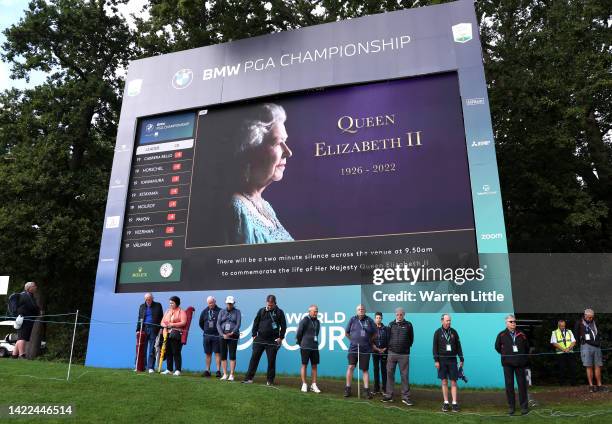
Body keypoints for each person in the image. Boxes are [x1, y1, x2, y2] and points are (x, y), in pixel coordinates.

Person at [229, 103, 294, 244]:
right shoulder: (236, 208)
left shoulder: (265, 206)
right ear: (252, 149)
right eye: (277, 143)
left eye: (285, 141)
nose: (288, 152)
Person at [243, 294, 287, 385]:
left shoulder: (279, 312)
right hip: (259, 339)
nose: (269, 306)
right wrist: (254, 335)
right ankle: (249, 378)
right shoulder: (261, 311)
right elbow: (256, 322)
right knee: (254, 359)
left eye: (271, 305)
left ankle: (270, 380)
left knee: (271, 361)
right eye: (268, 304)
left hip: (272, 340)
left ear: (275, 303)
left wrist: (281, 337)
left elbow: (283, 326)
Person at [495, 314, 529, 415]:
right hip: (507, 364)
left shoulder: (521, 334)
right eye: (511, 322)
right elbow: (497, 347)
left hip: (520, 363)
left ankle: (524, 407)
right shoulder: (501, 335)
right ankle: (511, 407)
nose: (513, 323)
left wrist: (522, 358)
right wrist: (505, 355)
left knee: (522, 385)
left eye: (514, 321)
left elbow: (526, 347)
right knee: (509, 386)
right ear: (506, 323)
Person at [382, 307, 414, 406]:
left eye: (401, 314)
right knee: (390, 374)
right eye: (397, 314)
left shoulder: (408, 325)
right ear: (395, 315)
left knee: (404, 376)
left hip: (404, 354)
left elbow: (411, 339)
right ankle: (389, 395)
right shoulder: (391, 324)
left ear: (404, 315)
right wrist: (389, 349)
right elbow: (387, 338)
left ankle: (405, 397)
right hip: (391, 353)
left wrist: (405, 348)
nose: (399, 316)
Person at [433, 314, 464, 412]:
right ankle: (446, 402)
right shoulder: (437, 332)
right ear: (442, 321)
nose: (449, 322)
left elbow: (458, 346)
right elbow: (434, 348)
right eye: (447, 320)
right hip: (442, 360)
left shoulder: (454, 332)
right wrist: (436, 360)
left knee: (454, 381)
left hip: (452, 360)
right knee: (444, 381)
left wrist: (461, 359)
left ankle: (454, 403)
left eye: (450, 320)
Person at [344, 304, 376, 399]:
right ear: (356, 311)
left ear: (365, 310)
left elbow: (375, 333)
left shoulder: (369, 320)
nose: (361, 310)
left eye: (362, 309)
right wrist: (353, 340)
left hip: (366, 349)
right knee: (351, 367)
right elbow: (346, 333)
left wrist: (369, 341)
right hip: (353, 348)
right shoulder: (352, 319)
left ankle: (366, 391)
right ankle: (347, 388)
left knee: (365, 369)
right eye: (359, 309)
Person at [574, 309, 607, 392]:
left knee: (598, 366)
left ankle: (599, 386)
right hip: (586, 346)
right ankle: (591, 386)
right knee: (589, 366)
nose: (590, 319)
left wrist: (599, 342)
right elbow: (576, 335)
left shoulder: (595, 322)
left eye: (592, 317)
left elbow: (599, 333)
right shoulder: (579, 323)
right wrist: (581, 344)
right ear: (585, 315)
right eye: (589, 317)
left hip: (596, 346)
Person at [296, 304, 321, 393]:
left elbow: (316, 334)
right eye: (314, 311)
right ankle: (304, 384)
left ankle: (313, 385)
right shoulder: (305, 320)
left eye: (317, 311)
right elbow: (299, 333)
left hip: (314, 347)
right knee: (304, 365)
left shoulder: (318, 322)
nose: (316, 313)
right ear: (309, 311)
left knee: (314, 366)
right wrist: (300, 342)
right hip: (305, 347)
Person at [11, 282, 40, 359]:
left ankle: (14, 355)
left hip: (27, 319)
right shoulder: (24, 296)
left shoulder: (30, 296)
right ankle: (22, 355)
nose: (36, 287)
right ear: (29, 288)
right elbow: (31, 307)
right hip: (24, 319)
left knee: (21, 337)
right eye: (34, 286)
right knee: (22, 337)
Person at [160, 296, 187, 376]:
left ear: (177, 303)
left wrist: (172, 324)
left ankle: (178, 370)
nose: (170, 304)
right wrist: (165, 325)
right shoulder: (167, 311)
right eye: (170, 303)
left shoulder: (181, 311)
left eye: (172, 303)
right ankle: (169, 369)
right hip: (166, 333)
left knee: (176, 351)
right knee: (168, 351)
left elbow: (183, 322)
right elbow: (162, 322)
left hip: (176, 334)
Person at [136, 292, 163, 373]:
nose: (148, 301)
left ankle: (150, 367)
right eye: (146, 299)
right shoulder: (142, 306)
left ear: (152, 299)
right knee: (143, 349)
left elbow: (161, 317)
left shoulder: (158, 305)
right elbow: (139, 318)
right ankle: (142, 366)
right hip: (143, 329)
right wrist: (137, 330)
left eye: (149, 299)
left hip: (154, 329)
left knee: (152, 349)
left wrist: (161, 329)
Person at [217, 295, 241, 381]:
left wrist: (232, 332)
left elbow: (238, 324)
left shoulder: (237, 312)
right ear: (226, 303)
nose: (229, 305)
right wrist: (222, 334)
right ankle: (225, 374)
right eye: (228, 303)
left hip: (233, 336)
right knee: (223, 355)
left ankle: (231, 374)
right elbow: (218, 324)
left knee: (232, 355)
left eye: (231, 303)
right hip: (223, 336)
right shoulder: (222, 312)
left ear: (233, 303)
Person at [199, 296, 222, 378]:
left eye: (212, 302)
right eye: (209, 303)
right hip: (207, 336)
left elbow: (222, 323)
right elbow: (201, 323)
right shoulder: (204, 311)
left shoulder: (220, 311)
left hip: (217, 336)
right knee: (208, 353)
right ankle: (207, 370)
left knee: (217, 353)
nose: (211, 304)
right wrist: (206, 330)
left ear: (215, 301)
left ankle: (218, 371)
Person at [550, 319, 576, 386]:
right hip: (560, 353)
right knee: (562, 368)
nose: (563, 327)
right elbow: (554, 343)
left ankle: (573, 383)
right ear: (558, 326)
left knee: (572, 368)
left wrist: (568, 348)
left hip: (570, 352)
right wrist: (564, 349)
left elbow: (573, 341)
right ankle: (562, 384)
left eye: (564, 326)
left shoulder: (569, 331)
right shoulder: (554, 332)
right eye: (561, 326)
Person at [372, 311, 388, 395]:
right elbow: (370, 340)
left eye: (380, 318)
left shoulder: (385, 328)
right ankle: (376, 389)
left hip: (384, 352)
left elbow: (389, 340)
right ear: (375, 318)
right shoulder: (371, 328)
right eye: (377, 318)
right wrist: (376, 348)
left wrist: (384, 349)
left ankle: (384, 389)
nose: (378, 319)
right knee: (376, 369)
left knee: (384, 370)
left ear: (382, 318)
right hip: (374, 352)